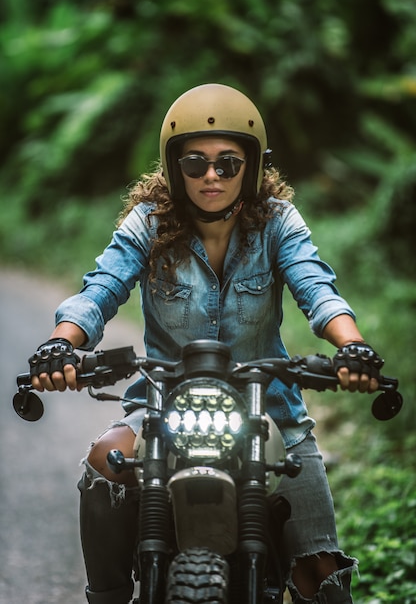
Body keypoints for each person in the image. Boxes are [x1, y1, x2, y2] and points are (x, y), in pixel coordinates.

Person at [29, 83, 384, 604]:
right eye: (195, 163)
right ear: (175, 168)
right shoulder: (148, 225)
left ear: (252, 167)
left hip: (271, 411)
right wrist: (61, 344)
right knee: (106, 462)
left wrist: (352, 347)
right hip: (165, 408)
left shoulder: (278, 223)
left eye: (228, 163)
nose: (211, 176)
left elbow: (317, 288)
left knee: (320, 574)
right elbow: (101, 288)